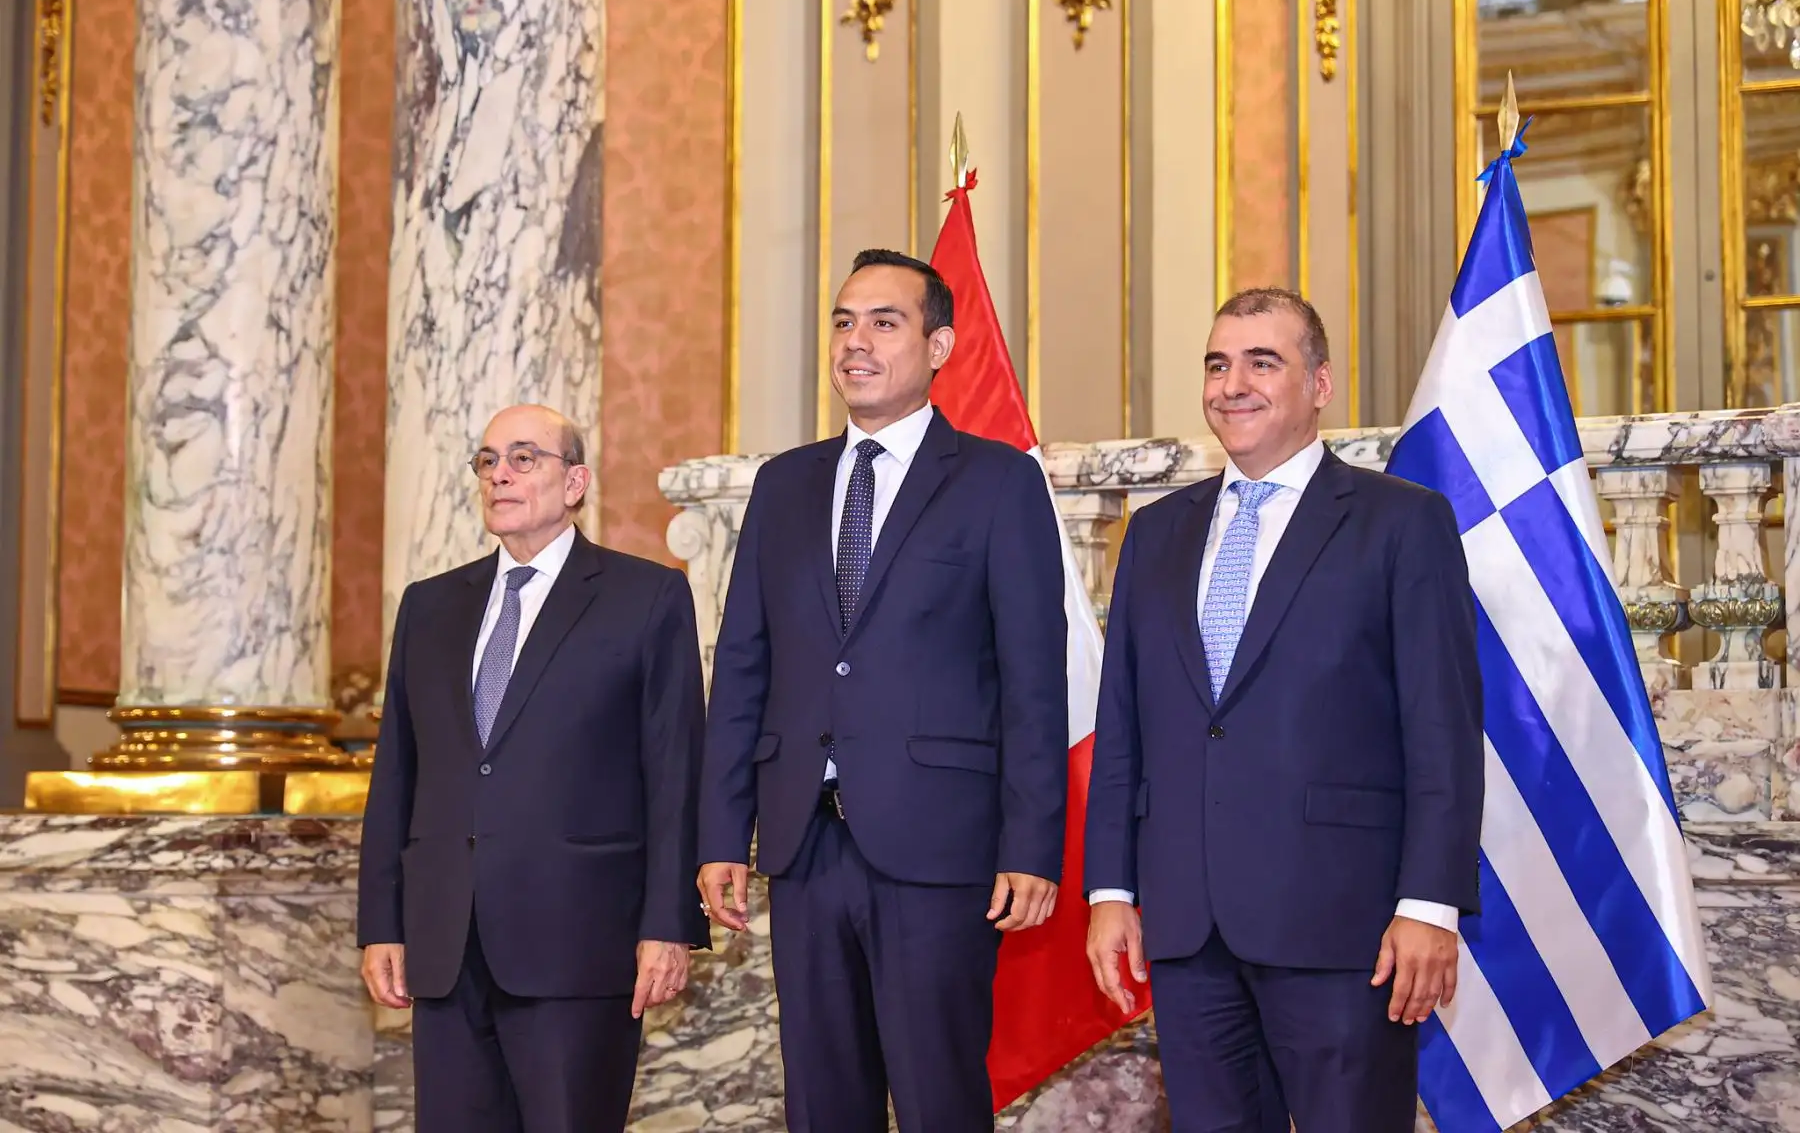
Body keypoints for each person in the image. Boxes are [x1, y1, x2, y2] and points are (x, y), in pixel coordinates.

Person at [1083, 288, 1483, 1132]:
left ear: (1321, 383)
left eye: (1263, 362)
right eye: (1218, 364)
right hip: (1190, 932)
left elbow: (1442, 730)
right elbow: (1124, 730)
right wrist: (1111, 890)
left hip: (1346, 931)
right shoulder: (1155, 535)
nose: (1234, 383)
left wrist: (1428, 905)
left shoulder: (1401, 524)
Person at [696, 249, 1070, 1131]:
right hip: (803, 844)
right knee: (823, 1102)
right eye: (843, 320)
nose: (856, 342)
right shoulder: (783, 485)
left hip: (941, 850)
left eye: (884, 322)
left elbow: (1032, 679)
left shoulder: (997, 481)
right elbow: (744, 665)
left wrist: (1032, 845)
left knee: (939, 1097)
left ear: (940, 345)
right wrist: (720, 831)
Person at [356, 403, 709, 1133]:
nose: (500, 475)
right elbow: (398, 775)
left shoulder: (644, 598)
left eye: (523, 458)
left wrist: (668, 925)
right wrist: (381, 923)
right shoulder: (429, 607)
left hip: (580, 943)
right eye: (487, 461)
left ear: (575, 481)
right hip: (447, 942)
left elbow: (674, 773)